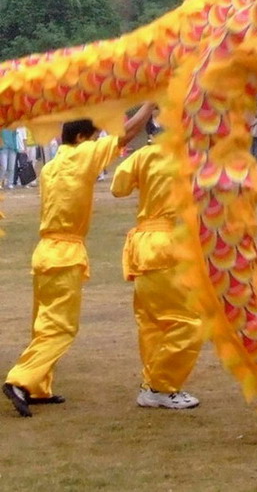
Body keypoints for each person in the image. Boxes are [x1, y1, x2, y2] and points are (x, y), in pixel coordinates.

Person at [3, 103, 156, 417]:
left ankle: (39, 386)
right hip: (65, 253)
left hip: (44, 253)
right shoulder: (83, 155)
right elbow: (126, 134)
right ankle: (21, 379)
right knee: (61, 328)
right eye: (96, 134)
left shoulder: (50, 167)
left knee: (43, 323)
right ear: (85, 136)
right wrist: (150, 104)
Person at [110, 133, 204, 410]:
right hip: (167, 246)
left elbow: (118, 187)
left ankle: (153, 384)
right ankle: (160, 386)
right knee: (188, 323)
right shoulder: (190, 157)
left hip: (144, 243)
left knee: (153, 322)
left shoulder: (145, 154)